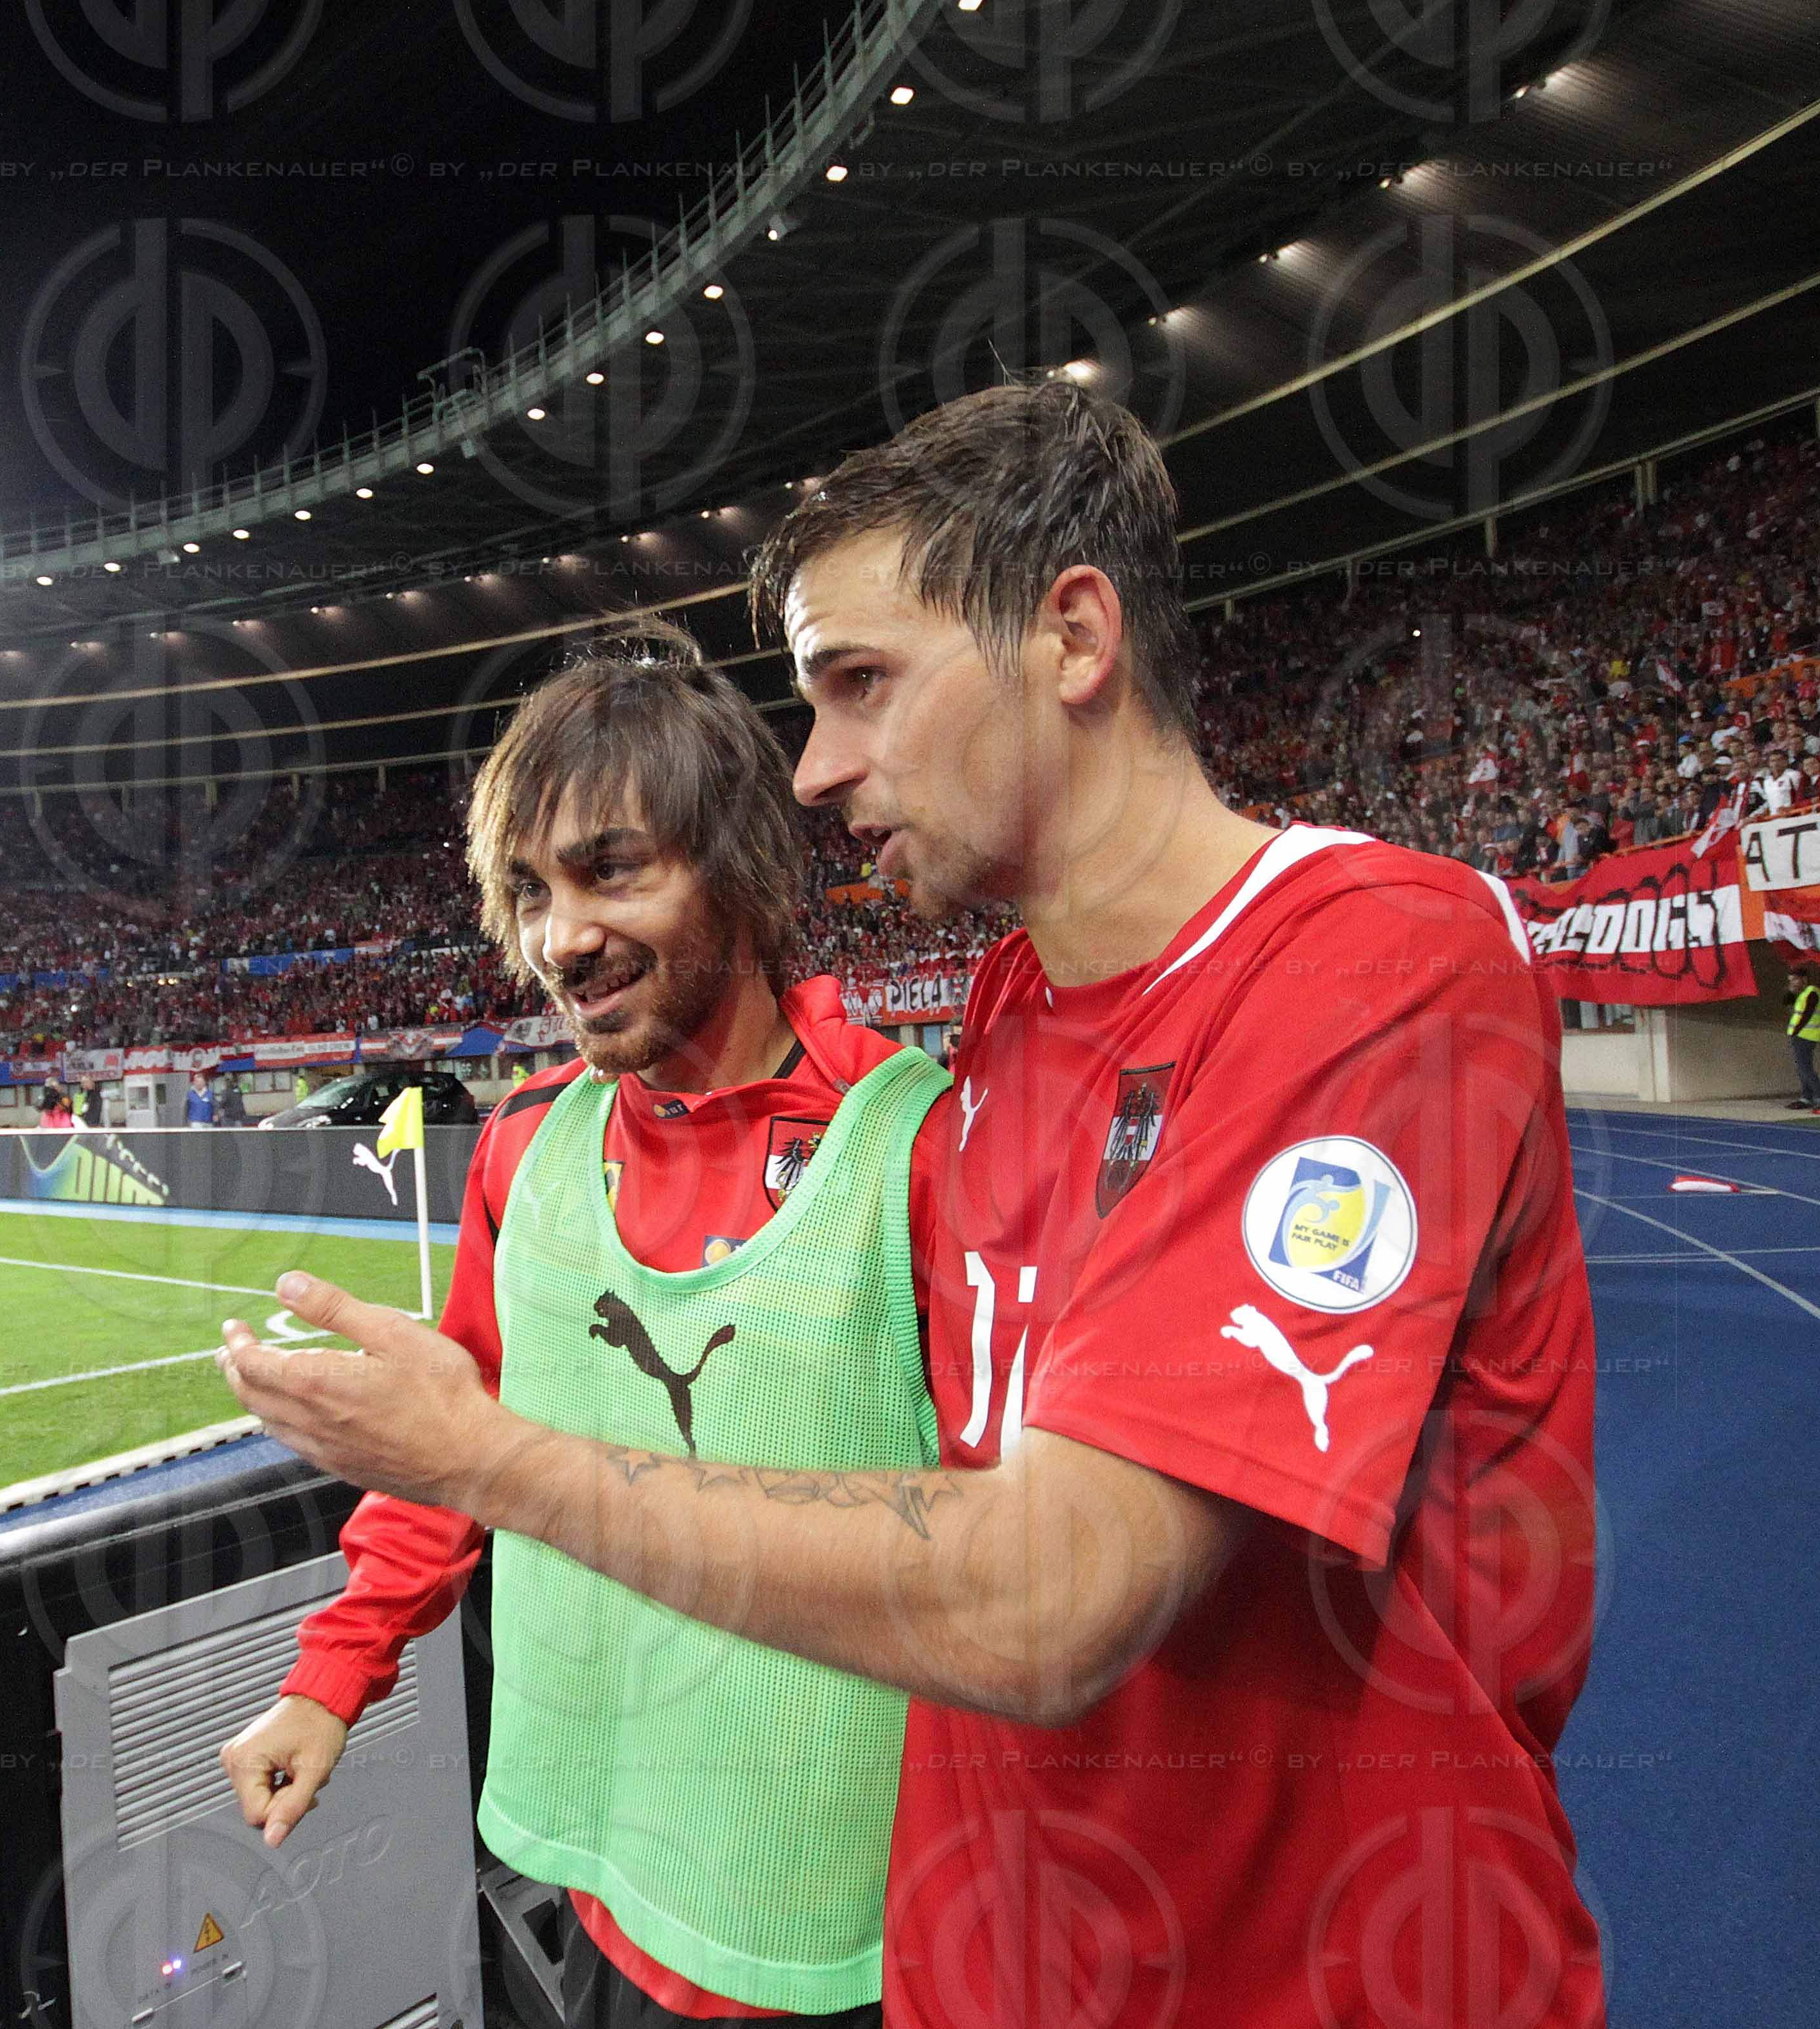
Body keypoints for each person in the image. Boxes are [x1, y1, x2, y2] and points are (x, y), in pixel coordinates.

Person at [222, 381, 1603, 2029]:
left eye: (858, 682)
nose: (813, 769)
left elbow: (1050, 1601)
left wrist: (486, 1462)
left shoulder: (1373, 960)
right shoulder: (1006, 1022)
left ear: (1071, 636)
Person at [218, 627, 950, 2027]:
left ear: (739, 865)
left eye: (611, 870)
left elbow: (1010, 1565)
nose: (557, 939)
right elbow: (464, 1449)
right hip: (600, 1872)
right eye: (527, 890)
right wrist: (333, 1673)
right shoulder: (522, 1150)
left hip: (838, 1925)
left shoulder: (917, 1151)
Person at [1786, 954, 1820, 1111]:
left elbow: (1807, 1014)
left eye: (1795, 980)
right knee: (1802, 1068)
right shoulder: (1801, 994)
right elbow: (1786, 1004)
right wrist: (1791, 992)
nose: (1792, 983)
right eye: (1790, 980)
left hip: (1806, 1036)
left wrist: (1796, 1031)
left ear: (1803, 979)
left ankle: (1817, 1097)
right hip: (1799, 1036)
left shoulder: (1812, 993)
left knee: (1805, 1068)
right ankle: (1807, 1097)